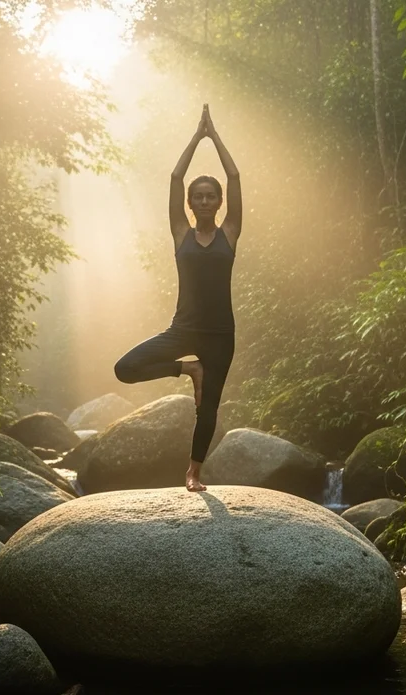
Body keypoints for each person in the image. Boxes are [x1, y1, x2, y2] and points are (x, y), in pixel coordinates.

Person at [113, 104, 242, 492]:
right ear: (189, 204)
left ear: (219, 203)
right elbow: (174, 176)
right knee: (126, 367)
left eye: (210, 197)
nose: (204, 201)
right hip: (183, 331)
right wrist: (195, 136)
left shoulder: (230, 233)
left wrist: (214, 136)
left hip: (221, 334)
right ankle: (189, 370)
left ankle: (193, 472)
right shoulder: (181, 234)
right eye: (198, 197)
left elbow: (234, 175)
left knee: (209, 409)